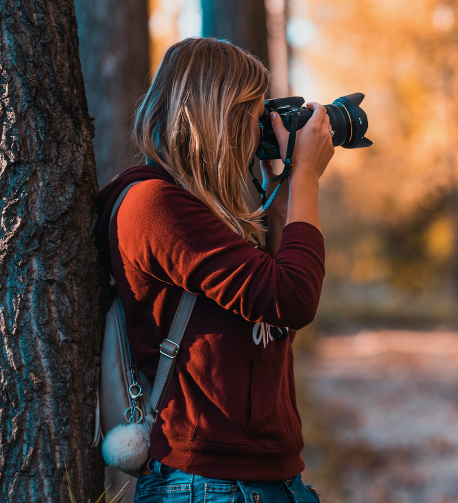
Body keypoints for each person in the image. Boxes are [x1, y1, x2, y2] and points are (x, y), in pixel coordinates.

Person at [95, 37, 332, 502]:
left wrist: (279, 187)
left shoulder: (209, 212)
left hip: (266, 479)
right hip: (207, 484)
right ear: (219, 115)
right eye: (252, 114)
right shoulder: (155, 205)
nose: (258, 129)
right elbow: (293, 297)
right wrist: (304, 177)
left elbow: (274, 320)